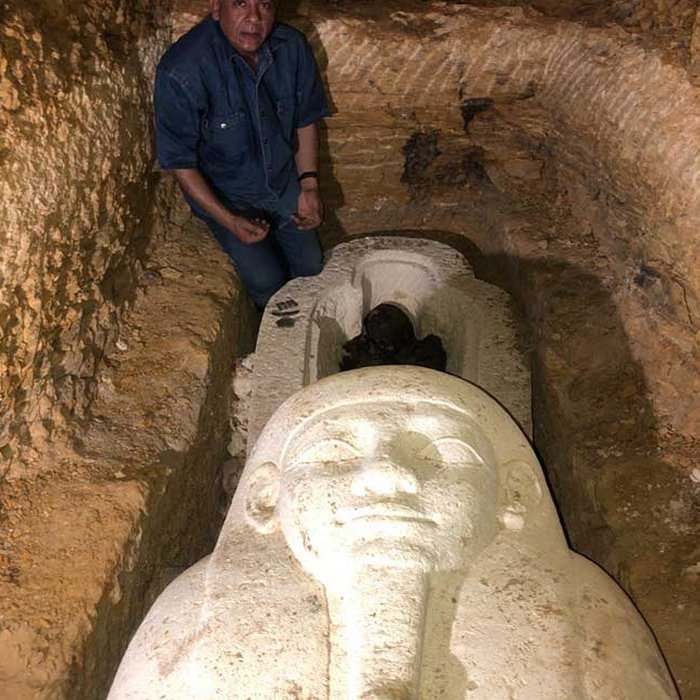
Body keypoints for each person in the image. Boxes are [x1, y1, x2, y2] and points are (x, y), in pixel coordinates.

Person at [108, 367, 678, 699]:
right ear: (265, 498)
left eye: (442, 451)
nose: (388, 474)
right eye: (333, 452)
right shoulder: (195, 612)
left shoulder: (584, 606)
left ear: (514, 494)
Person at [154, 0, 330, 309]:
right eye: (240, 3)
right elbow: (181, 163)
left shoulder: (291, 47)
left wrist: (309, 184)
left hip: (282, 179)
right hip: (226, 193)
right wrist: (228, 220)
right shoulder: (182, 69)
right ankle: (270, 334)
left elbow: (305, 120)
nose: (254, 18)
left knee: (311, 268)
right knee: (266, 282)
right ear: (216, 7)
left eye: (265, 5)